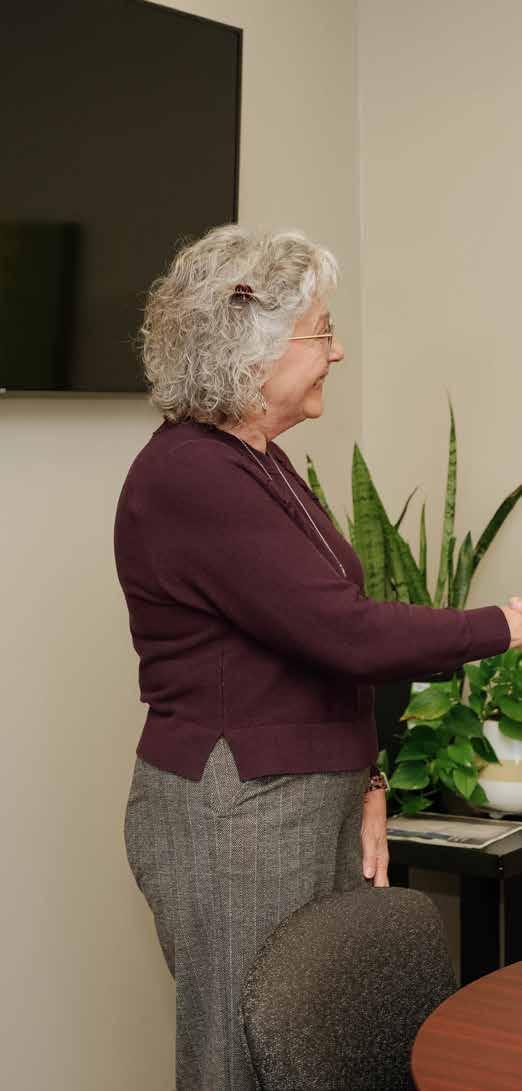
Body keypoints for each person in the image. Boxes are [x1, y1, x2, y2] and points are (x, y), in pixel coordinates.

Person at [114, 224, 522, 1091]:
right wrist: (505, 624)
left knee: (313, 1060)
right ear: (250, 351)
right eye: (321, 332)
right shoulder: (191, 476)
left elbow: (320, 646)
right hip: (237, 810)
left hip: (300, 797)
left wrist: (368, 779)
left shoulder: (260, 461)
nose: (336, 351)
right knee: (237, 1064)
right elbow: (350, 632)